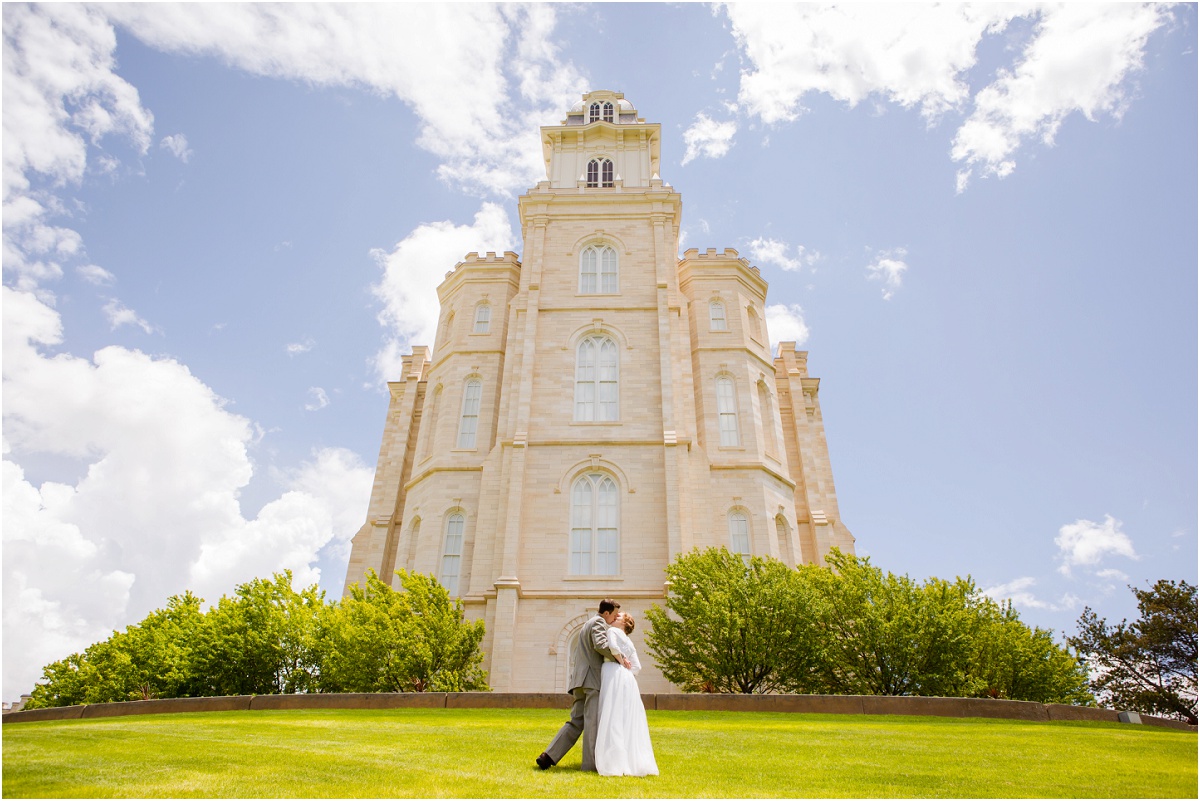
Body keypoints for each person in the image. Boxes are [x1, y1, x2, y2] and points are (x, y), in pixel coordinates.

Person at [536, 599, 630, 771]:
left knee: (575, 722)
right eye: (615, 615)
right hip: (591, 680)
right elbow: (601, 645)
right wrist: (621, 659)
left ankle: (548, 756)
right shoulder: (598, 622)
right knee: (592, 723)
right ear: (606, 613)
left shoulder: (588, 624)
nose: (615, 618)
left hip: (579, 681)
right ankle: (590, 765)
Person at [594, 612, 659, 777]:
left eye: (620, 616)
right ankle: (631, 762)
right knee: (627, 718)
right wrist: (626, 668)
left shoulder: (611, 631)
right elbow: (637, 667)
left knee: (612, 715)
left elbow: (614, 648)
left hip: (612, 672)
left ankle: (613, 762)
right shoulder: (629, 641)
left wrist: (621, 661)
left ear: (626, 622)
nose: (616, 616)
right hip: (628, 679)